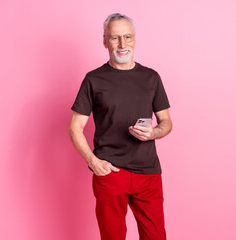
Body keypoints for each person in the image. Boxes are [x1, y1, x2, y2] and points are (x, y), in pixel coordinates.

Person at [68, 13, 172, 240]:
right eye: (115, 38)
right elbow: (75, 128)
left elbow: (166, 123)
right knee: (112, 237)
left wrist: (153, 132)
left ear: (135, 39)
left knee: (156, 236)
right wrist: (93, 161)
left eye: (127, 37)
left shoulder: (151, 77)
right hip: (110, 172)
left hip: (148, 172)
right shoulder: (93, 79)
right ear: (105, 41)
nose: (122, 44)